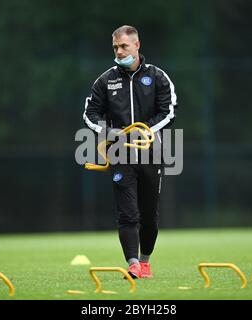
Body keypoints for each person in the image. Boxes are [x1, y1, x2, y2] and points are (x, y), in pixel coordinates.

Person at [83, 25, 178, 279]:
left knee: (149, 215)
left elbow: (168, 111)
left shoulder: (158, 77)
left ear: (137, 45)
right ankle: (133, 263)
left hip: (151, 153)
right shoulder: (105, 80)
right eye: (115, 47)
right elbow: (89, 114)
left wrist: (144, 130)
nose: (119, 51)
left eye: (123, 46)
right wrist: (108, 133)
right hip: (119, 155)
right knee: (128, 214)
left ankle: (145, 262)